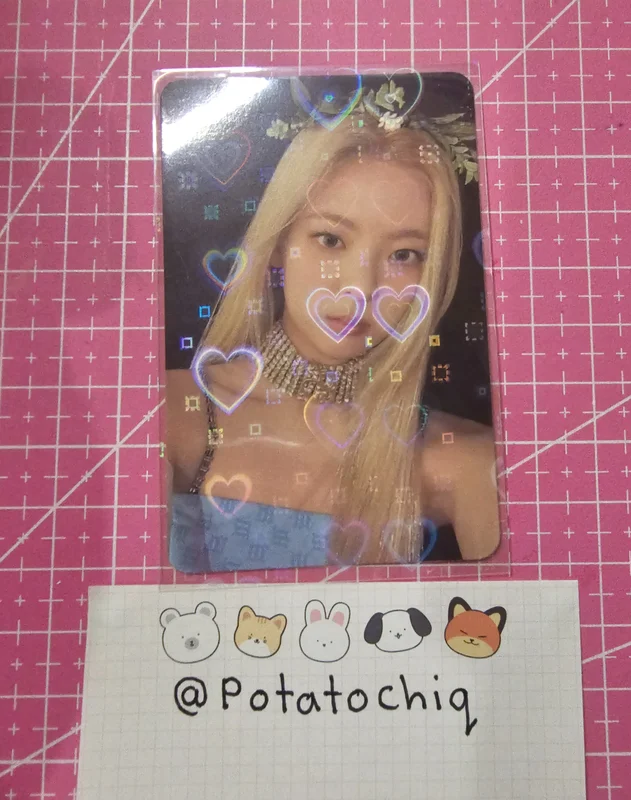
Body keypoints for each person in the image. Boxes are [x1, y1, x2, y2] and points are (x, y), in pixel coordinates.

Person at [164, 80, 501, 572]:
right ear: (279, 242)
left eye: (404, 255)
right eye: (331, 240)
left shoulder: (462, 459)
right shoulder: (177, 412)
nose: (361, 288)